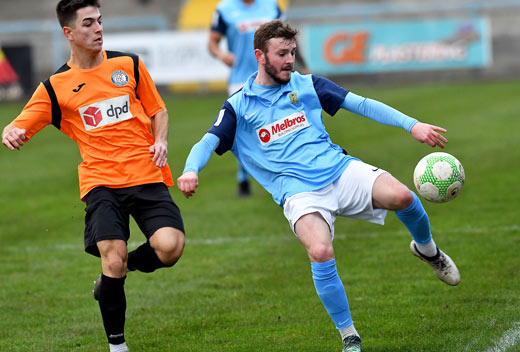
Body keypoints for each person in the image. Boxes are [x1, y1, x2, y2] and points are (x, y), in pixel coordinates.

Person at [178, 19, 460, 352]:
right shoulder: (239, 106)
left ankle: (427, 250)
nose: (289, 60)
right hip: (298, 193)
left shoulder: (307, 85)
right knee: (321, 251)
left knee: (402, 196)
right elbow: (207, 142)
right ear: (260, 55)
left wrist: (411, 125)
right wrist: (190, 170)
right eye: (282, 53)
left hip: (338, 170)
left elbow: (362, 104)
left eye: (293, 52)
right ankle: (349, 336)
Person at [1, 1, 185, 351]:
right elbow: (19, 123)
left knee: (170, 247)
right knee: (112, 257)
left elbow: (157, 109)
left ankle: (111, 279)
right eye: (88, 23)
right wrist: (10, 130)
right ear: (68, 32)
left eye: (100, 21)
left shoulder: (128, 64)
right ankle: (118, 347)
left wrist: (160, 140)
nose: (98, 28)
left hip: (146, 174)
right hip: (102, 183)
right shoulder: (56, 86)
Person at [209, 0, 308, 197]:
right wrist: (221, 54)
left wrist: (302, 65)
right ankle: (243, 176)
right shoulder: (224, 9)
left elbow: (289, 40)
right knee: (243, 131)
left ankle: (288, 173)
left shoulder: (272, 5)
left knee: (284, 124)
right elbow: (212, 42)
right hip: (240, 80)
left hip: (273, 76)